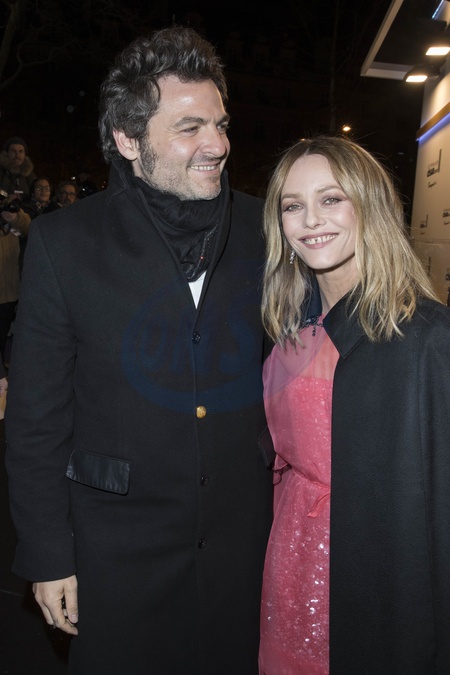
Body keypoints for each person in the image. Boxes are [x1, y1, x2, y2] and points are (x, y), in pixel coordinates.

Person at [5, 25, 273, 675]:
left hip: (244, 545)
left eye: (220, 124)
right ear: (129, 140)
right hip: (115, 548)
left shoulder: (266, 228)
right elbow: (37, 417)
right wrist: (48, 553)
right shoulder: (64, 243)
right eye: (189, 128)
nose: (218, 144)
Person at [259, 134, 450, 674]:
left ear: (370, 205)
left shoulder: (425, 337)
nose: (311, 220)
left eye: (331, 198)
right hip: (290, 556)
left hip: (377, 572)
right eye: (292, 206)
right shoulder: (288, 333)